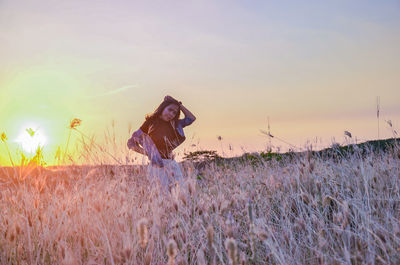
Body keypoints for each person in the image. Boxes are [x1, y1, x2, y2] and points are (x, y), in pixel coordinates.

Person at [127, 95, 196, 194]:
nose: (171, 114)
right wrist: (147, 153)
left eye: (174, 112)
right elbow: (131, 142)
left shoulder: (175, 124)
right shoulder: (150, 123)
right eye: (169, 110)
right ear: (163, 107)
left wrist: (179, 105)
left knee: (181, 193)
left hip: (172, 163)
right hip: (157, 166)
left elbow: (191, 118)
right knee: (163, 196)